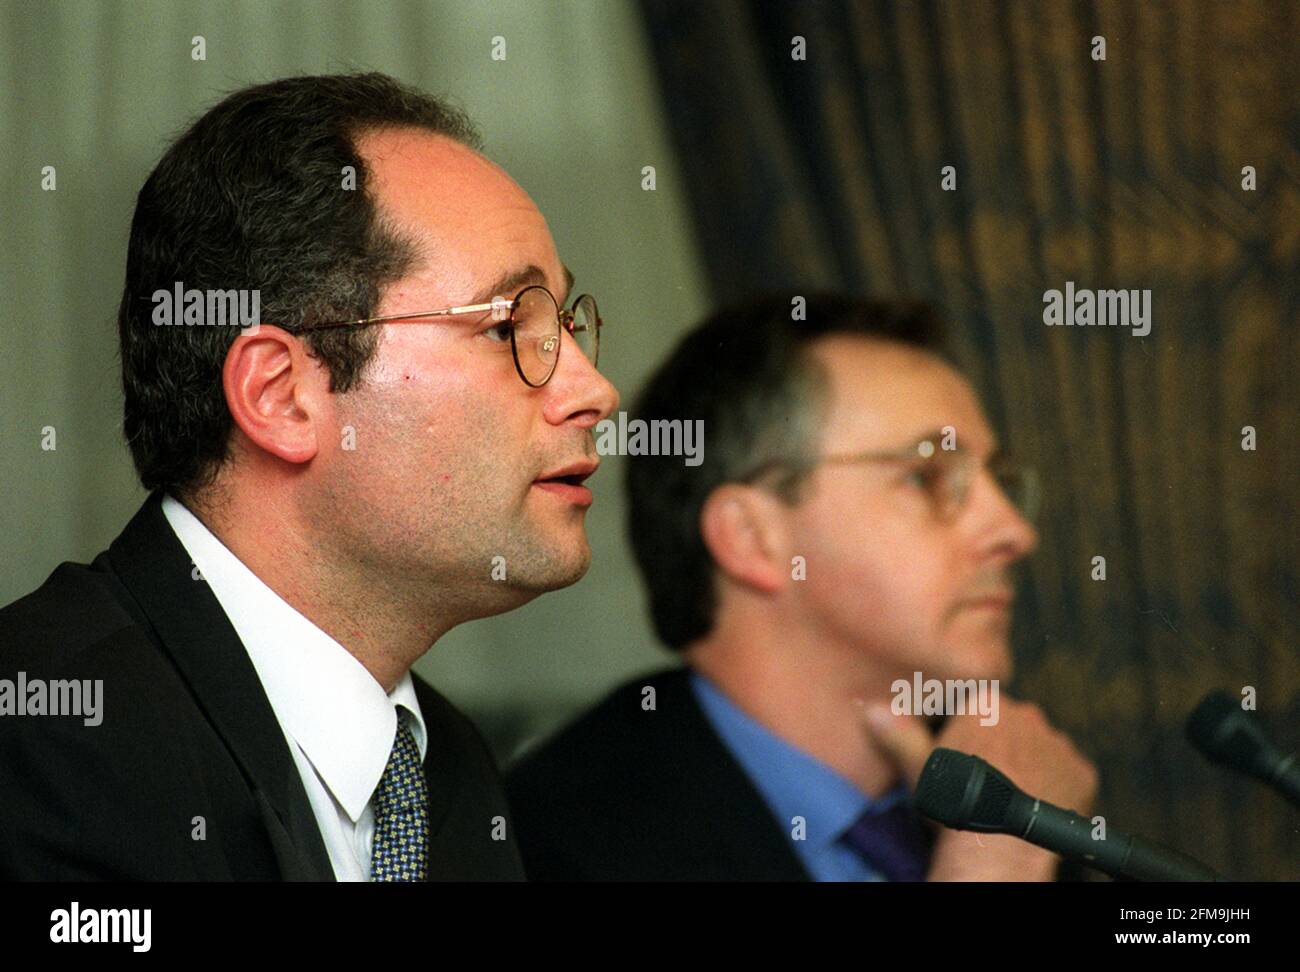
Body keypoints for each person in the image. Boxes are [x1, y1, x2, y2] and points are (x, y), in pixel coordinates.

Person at [0, 72, 618, 881]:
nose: (593, 392)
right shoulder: (47, 734)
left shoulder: (449, 767)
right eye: (510, 326)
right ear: (282, 396)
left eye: (567, 326)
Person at [507, 294, 1096, 880]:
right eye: (927, 476)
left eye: (1001, 482)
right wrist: (994, 870)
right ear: (750, 538)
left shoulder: (1002, 779)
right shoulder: (554, 847)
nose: (1013, 532)